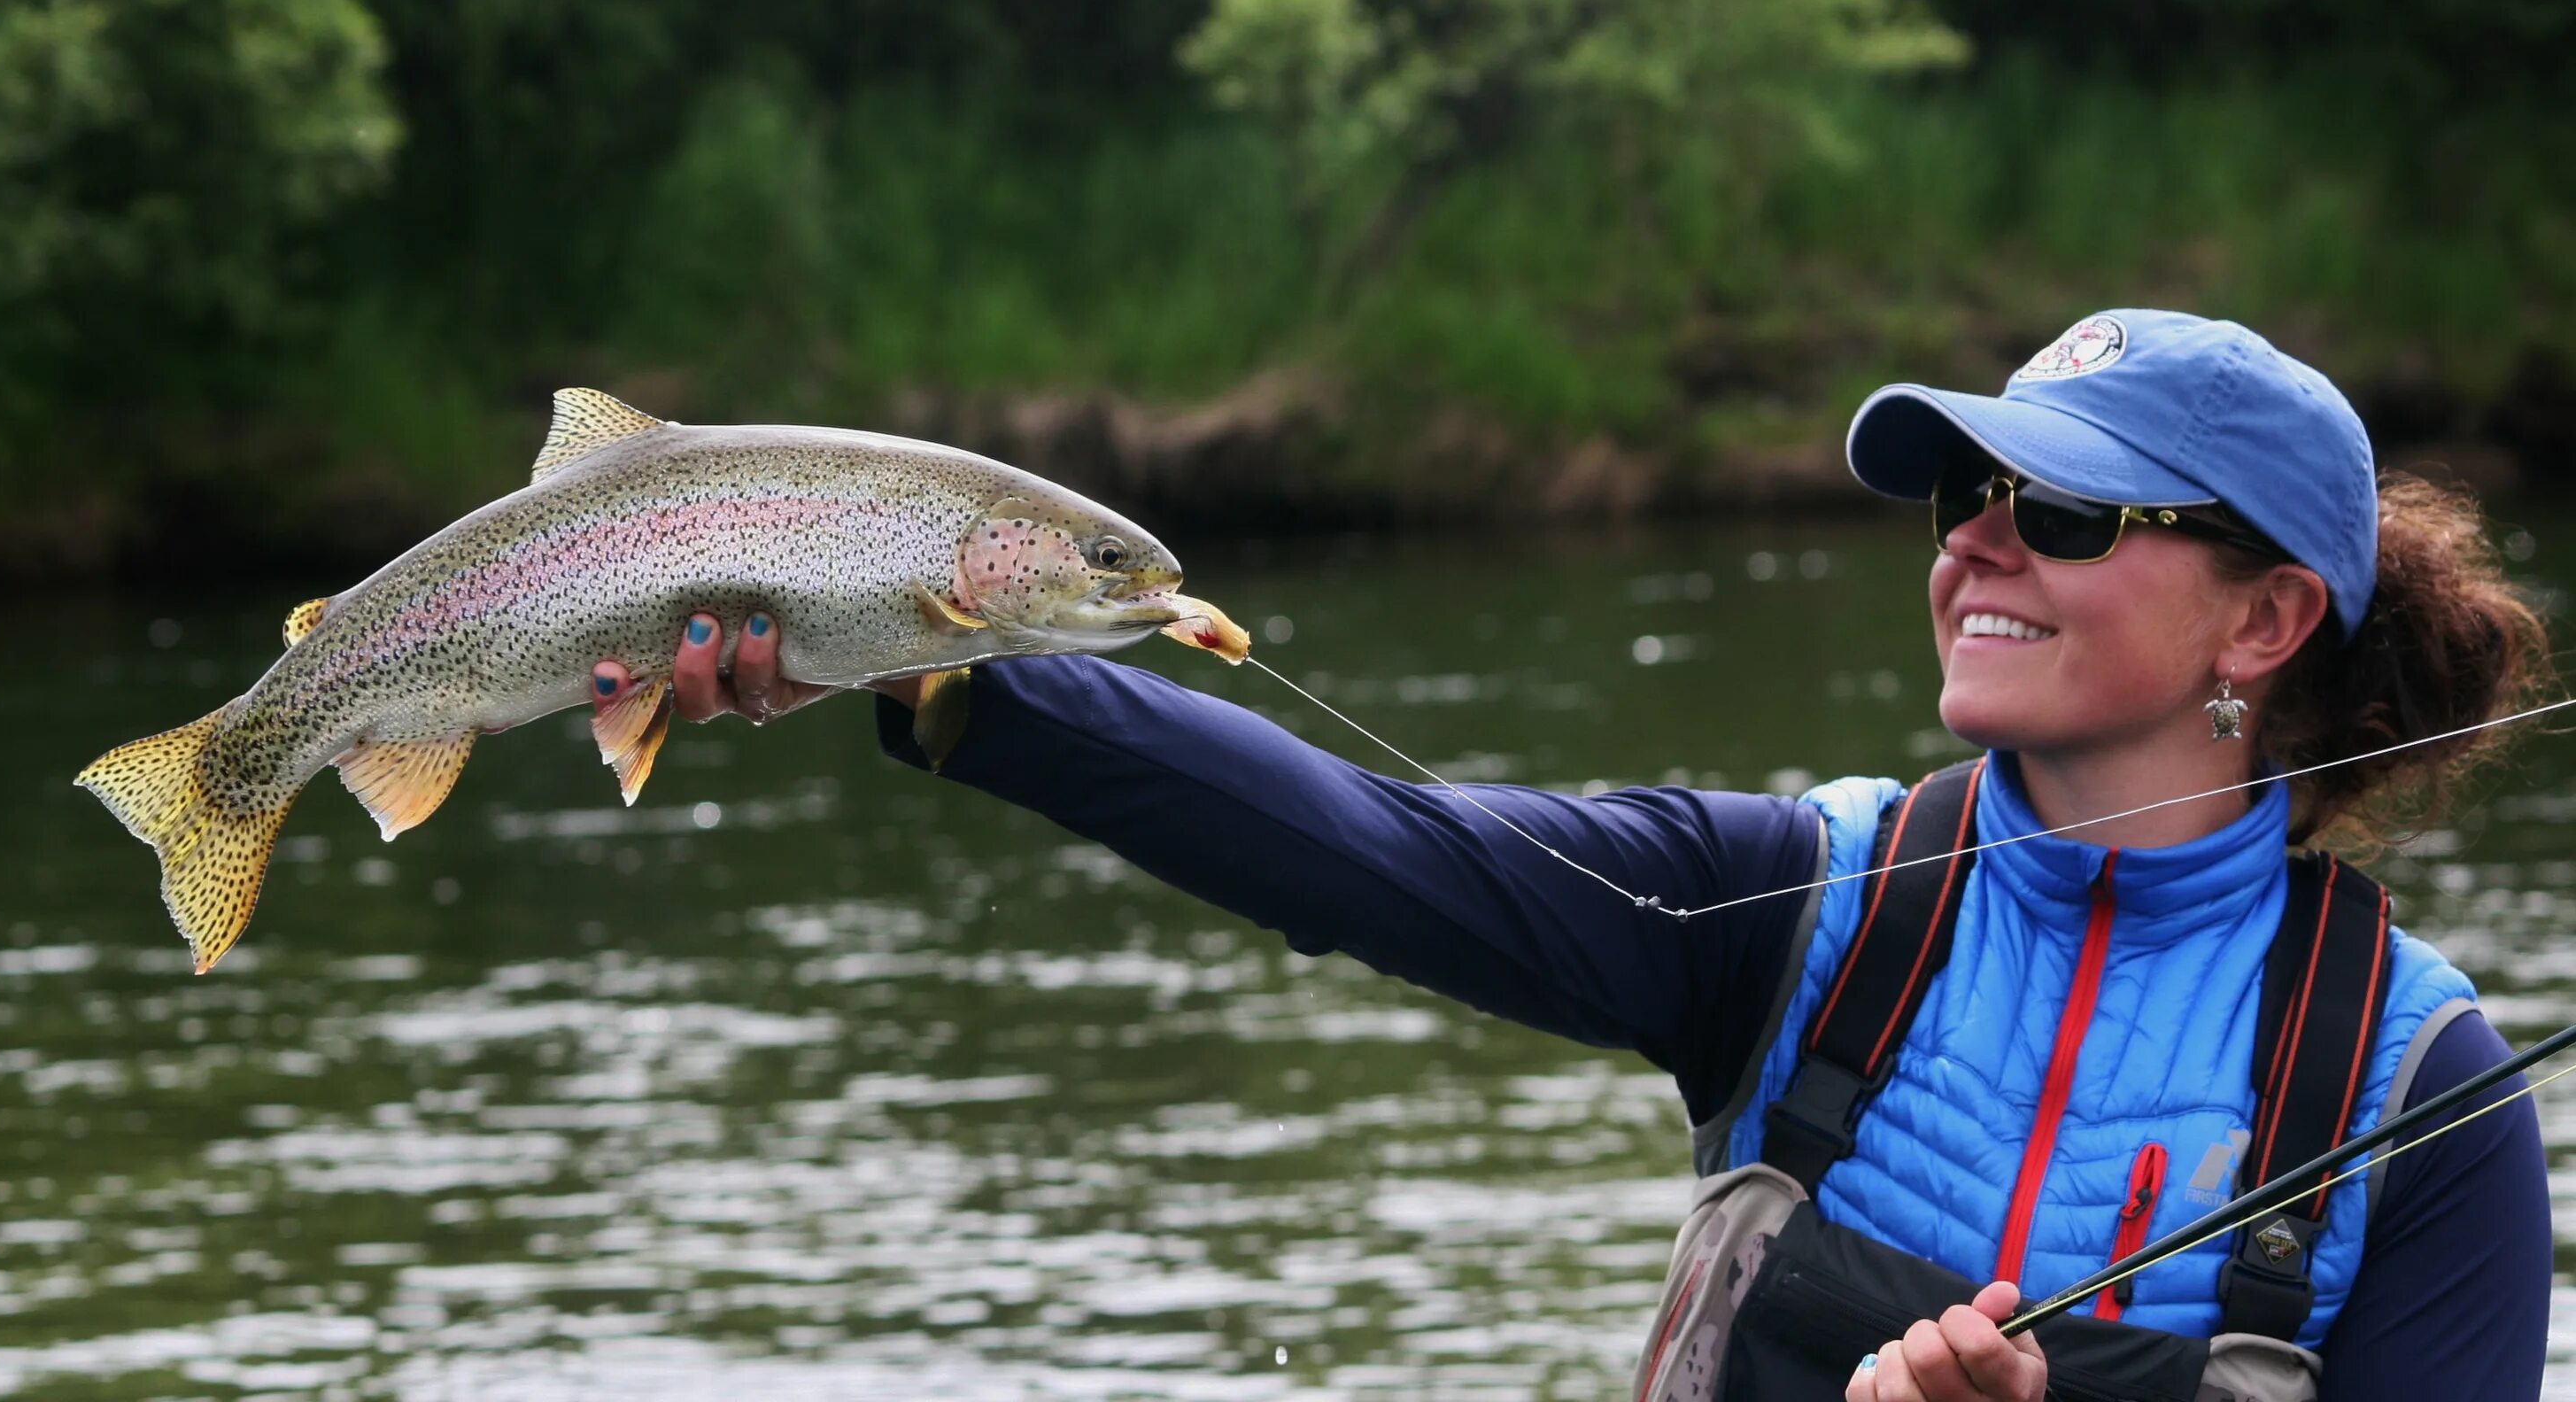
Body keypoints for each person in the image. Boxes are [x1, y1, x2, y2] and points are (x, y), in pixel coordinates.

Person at [587, 311, 2555, 1401]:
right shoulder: (1808, 902)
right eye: (1962, 490)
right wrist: (940, 663)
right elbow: (1367, 845)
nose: (1972, 541)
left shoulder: (2421, 1095)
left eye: (2058, 505)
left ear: (2269, 621)